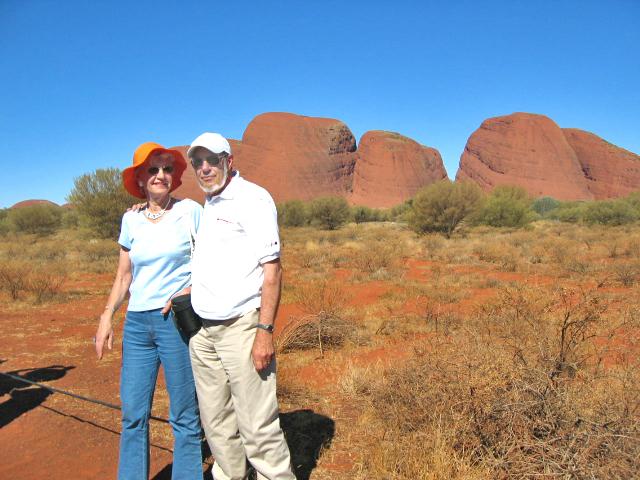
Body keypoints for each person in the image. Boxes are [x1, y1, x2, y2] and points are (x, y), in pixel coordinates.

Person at [187, 132, 295, 480]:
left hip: (242, 327)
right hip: (205, 332)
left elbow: (273, 269)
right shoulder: (210, 204)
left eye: (212, 160)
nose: (204, 168)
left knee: (257, 426)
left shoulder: (253, 198)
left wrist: (264, 331)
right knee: (216, 422)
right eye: (197, 162)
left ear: (228, 161)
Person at [94, 142, 204, 480]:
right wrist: (107, 316)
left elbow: (211, 261)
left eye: (167, 169)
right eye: (153, 170)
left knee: (184, 415)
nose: (161, 175)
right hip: (138, 324)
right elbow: (124, 274)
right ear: (140, 178)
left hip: (175, 322)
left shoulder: (190, 212)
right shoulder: (131, 219)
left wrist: (189, 289)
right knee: (133, 414)